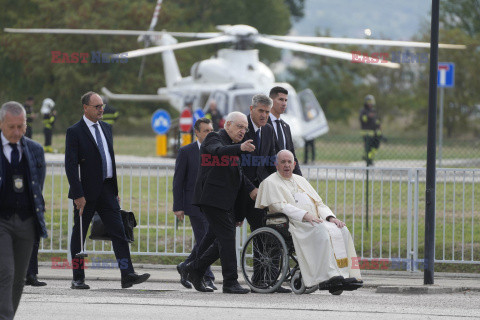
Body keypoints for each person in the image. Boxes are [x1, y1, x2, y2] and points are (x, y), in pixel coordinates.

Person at [65, 91, 150, 289]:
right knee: (79, 235)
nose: (101, 109)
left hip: (107, 190)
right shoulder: (75, 131)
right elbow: (70, 165)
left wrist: (114, 189)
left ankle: (127, 274)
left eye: (102, 105)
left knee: (119, 233)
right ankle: (78, 278)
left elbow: (108, 159)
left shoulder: (106, 128)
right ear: (85, 108)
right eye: (97, 106)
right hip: (85, 193)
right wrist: (77, 194)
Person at [255, 150, 363, 292]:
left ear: (294, 164)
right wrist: (305, 215)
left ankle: (345, 274)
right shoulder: (270, 182)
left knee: (341, 229)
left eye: (289, 162)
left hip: (313, 220)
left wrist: (331, 218)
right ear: (276, 164)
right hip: (292, 223)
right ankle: (327, 277)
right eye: (283, 162)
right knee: (321, 231)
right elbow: (280, 206)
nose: (286, 165)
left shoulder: (301, 180)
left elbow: (319, 204)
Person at [185, 111, 256, 294]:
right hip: (211, 198)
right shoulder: (214, 138)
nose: (243, 131)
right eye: (239, 126)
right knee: (227, 238)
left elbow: (238, 179)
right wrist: (240, 148)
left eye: (245, 128)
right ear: (228, 125)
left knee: (221, 241)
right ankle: (230, 282)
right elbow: (217, 151)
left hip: (226, 202)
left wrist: (241, 210)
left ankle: (194, 269)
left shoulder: (234, 146)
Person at [236, 94, 291, 293]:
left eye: (267, 112)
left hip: (262, 193)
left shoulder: (268, 130)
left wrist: (280, 185)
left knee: (267, 232)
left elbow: (270, 162)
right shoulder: (242, 128)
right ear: (251, 109)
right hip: (241, 191)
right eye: (261, 111)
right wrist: (251, 188)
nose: (264, 116)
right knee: (215, 238)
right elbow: (238, 167)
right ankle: (192, 266)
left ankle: (266, 281)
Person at [0, 101, 48, 319]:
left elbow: (38, 186)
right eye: (12, 127)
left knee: (19, 278)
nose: (17, 132)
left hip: (27, 222)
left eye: (21, 127)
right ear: (1, 124)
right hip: (2, 221)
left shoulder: (36, 150)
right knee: (6, 273)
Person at [173, 118, 216, 290]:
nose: (209, 134)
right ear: (196, 132)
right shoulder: (186, 151)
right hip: (194, 204)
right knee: (203, 239)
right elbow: (178, 181)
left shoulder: (216, 151)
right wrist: (178, 206)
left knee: (207, 240)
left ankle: (186, 266)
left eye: (211, 130)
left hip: (212, 204)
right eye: (206, 131)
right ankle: (207, 276)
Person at [267, 86, 302, 175]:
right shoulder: (263, 124)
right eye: (281, 99)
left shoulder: (286, 127)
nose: (284, 103)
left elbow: (292, 155)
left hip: (285, 177)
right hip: (268, 178)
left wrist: (301, 180)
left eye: (286, 100)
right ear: (271, 100)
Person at [359, 94, 382, 166]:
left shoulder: (373, 110)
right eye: (369, 101)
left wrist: (379, 126)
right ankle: (368, 160)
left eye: (371, 101)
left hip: (375, 133)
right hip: (367, 133)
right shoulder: (363, 111)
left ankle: (369, 158)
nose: (370, 103)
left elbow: (376, 120)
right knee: (368, 147)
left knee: (375, 146)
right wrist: (368, 116)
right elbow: (362, 120)